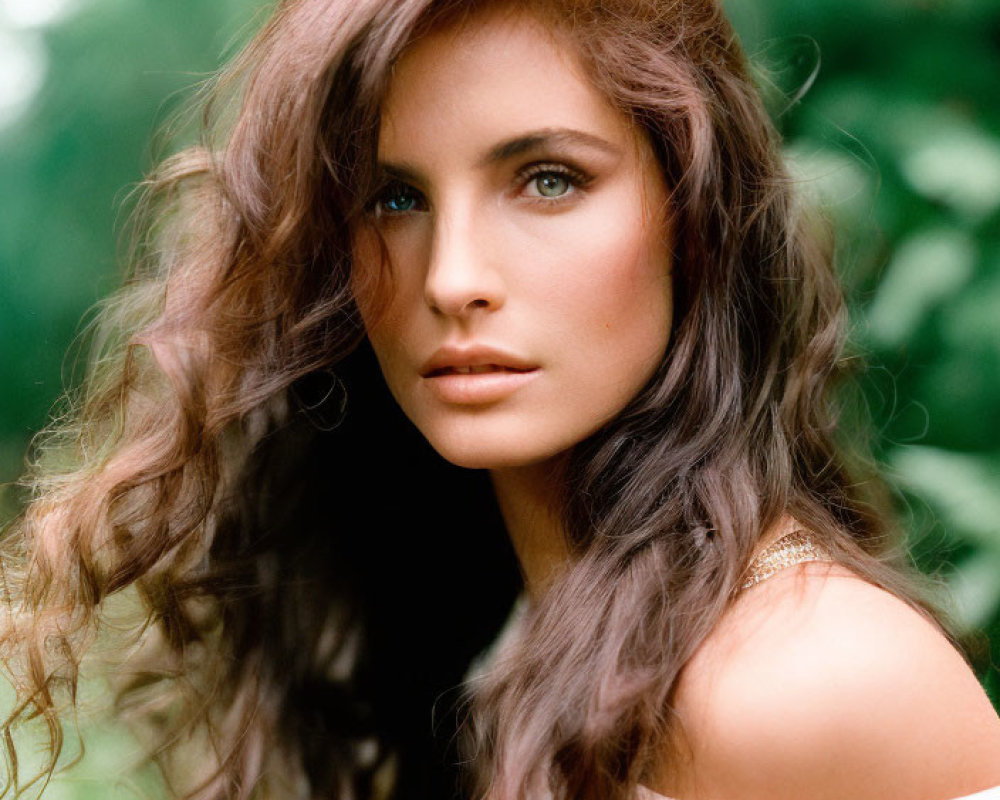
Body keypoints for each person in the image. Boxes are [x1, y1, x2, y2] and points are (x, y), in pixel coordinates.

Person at [2, 0, 999, 798]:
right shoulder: (508, 635)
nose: (451, 276)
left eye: (548, 179)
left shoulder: (809, 679)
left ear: (694, 219)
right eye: (393, 198)